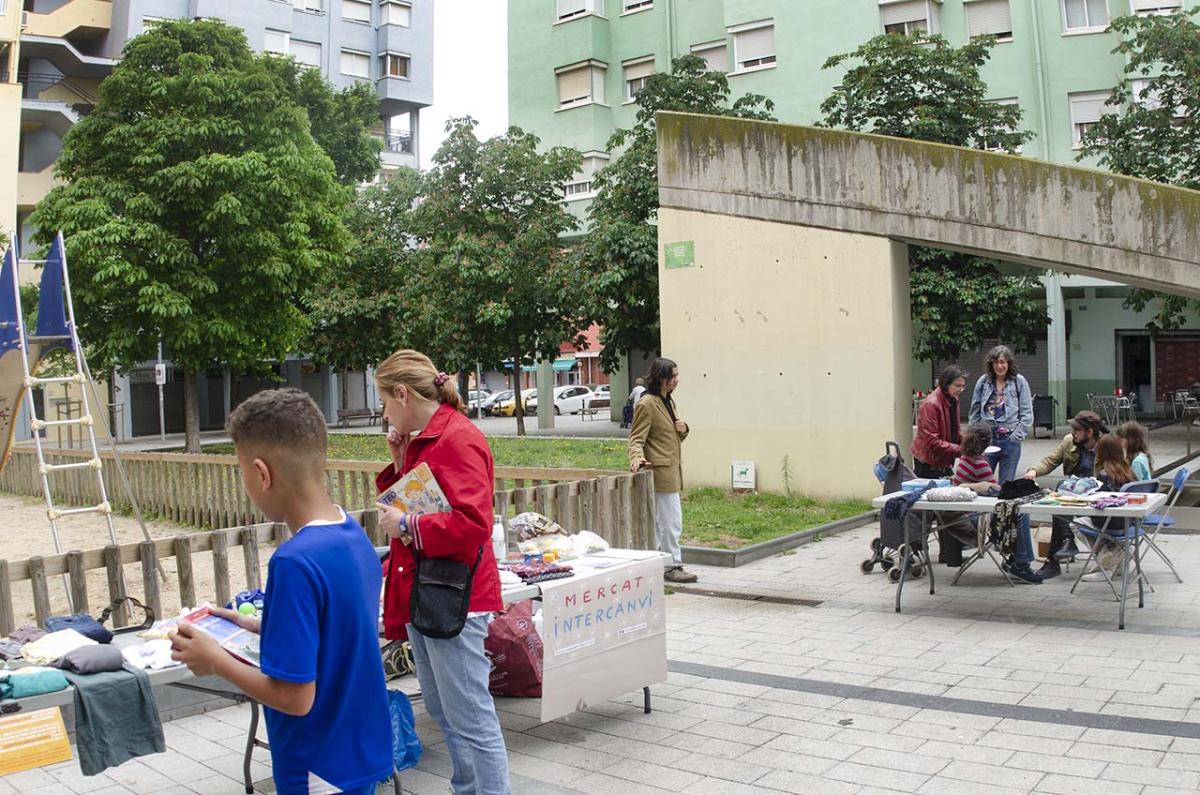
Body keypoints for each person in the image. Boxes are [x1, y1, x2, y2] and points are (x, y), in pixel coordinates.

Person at [170, 388, 391, 795]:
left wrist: (215, 659)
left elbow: (294, 698)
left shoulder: (293, 562)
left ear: (261, 473)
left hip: (317, 764)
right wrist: (255, 625)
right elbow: (337, 633)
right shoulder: (352, 534)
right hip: (359, 749)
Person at [372, 350, 510, 795]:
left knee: (470, 714)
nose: (385, 414)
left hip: (455, 596)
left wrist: (408, 525)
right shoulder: (433, 436)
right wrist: (400, 461)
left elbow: (474, 524)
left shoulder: (458, 437)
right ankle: (466, 788)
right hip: (429, 591)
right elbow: (424, 496)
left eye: (386, 403)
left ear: (402, 393)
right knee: (445, 708)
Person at [629, 357, 696, 584]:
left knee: (664, 522)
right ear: (660, 378)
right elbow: (636, 438)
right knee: (670, 522)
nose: (676, 380)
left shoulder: (667, 400)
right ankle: (672, 566)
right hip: (658, 471)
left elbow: (671, 435)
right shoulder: (647, 403)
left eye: (677, 376)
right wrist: (637, 458)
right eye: (672, 377)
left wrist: (684, 429)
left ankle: (659, 564)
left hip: (670, 470)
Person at [951, 423, 1042, 583]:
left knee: (1013, 511)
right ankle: (1021, 564)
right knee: (1019, 513)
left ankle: (1015, 560)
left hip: (964, 513)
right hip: (974, 517)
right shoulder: (980, 465)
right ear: (988, 444)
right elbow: (998, 493)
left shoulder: (965, 459)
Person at [1023, 410, 1109, 579]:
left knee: (1061, 493)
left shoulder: (1106, 445)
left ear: (1090, 432)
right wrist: (1033, 471)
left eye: (1077, 430)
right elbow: (1050, 460)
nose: (1072, 433)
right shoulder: (1069, 442)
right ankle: (1066, 542)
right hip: (1072, 494)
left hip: (1098, 495)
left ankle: (1056, 557)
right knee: (1061, 494)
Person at [968, 345, 1033, 484]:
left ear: (1009, 363)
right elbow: (974, 411)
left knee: (1006, 484)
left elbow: (1027, 413)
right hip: (987, 439)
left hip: (1010, 439)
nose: (999, 366)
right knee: (982, 483)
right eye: (996, 362)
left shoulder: (1019, 381)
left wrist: (1016, 436)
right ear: (991, 364)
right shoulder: (983, 381)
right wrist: (976, 435)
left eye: (1002, 362)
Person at [911, 365, 967, 479]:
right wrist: (962, 450)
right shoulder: (931, 404)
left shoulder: (953, 398)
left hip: (943, 459)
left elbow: (955, 430)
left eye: (963, 386)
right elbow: (932, 442)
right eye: (957, 386)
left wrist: (969, 442)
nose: (961, 390)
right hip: (928, 463)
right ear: (946, 384)